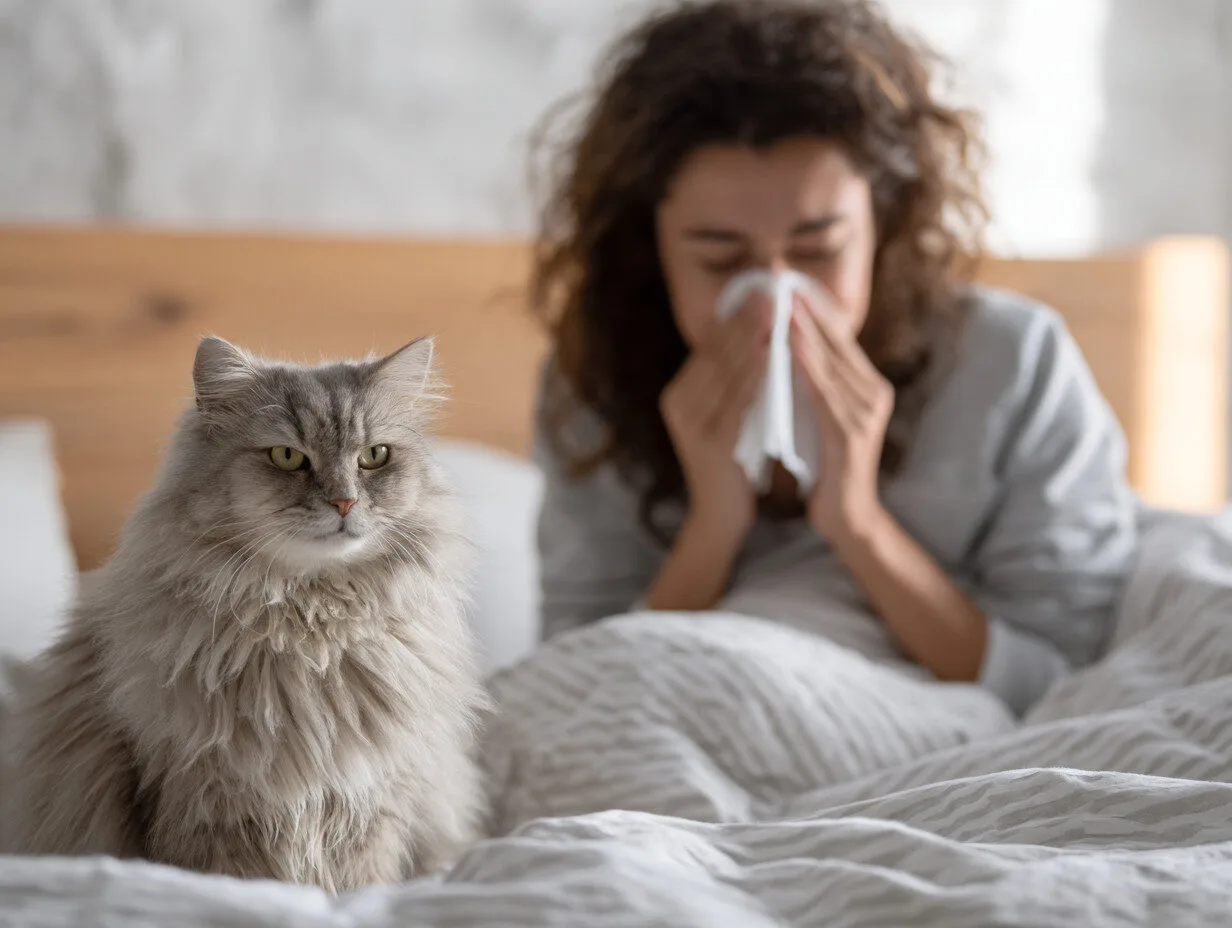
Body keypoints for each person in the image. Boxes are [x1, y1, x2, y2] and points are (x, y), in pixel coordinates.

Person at [527, 0, 1137, 715]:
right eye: (721, 260)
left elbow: (1063, 683)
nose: (775, 298)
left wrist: (856, 521)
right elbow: (571, 690)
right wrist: (714, 521)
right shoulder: (593, 386)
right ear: (651, 248)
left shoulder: (1011, 364)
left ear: (885, 221)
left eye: (818, 250)